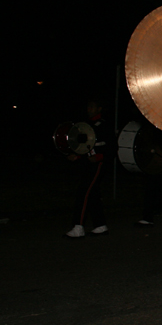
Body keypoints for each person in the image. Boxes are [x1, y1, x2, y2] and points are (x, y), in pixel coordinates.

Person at [65, 98, 112, 238]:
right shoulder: (85, 126)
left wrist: (98, 157)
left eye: (92, 106)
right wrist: (76, 156)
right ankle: (100, 225)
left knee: (84, 192)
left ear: (99, 109)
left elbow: (111, 147)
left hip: (99, 165)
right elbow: (85, 147)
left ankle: (78, 226)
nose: (89, 109)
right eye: (88, 106)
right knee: (92, 194)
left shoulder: (103, 125)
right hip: (88, 164)